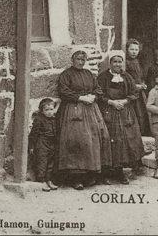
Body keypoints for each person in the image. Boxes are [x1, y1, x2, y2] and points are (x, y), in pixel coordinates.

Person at [56, 50, 111, 190]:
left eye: (83, 59)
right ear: (72, 60)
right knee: (78, 140)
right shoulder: (66, 74)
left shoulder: (88, 74)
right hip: (73, 110)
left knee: (95, 138)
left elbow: (98, 88)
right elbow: (63, 91)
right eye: (78, 59)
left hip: (91, 110)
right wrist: (80, 98)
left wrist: (93, 96)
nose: (80, 62)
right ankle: (76, 178)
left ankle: (91, 175)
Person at [98, 52, 145, 184]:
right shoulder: (103, 77)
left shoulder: (126, 76)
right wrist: (111, 102)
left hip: (125, 111)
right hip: (109, 111)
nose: (118, 64)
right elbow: (99, 94)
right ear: (110, 63)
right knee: (111, 141)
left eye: (120, 62)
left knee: (126, 141)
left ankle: (121, 173)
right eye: (115, 62)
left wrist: (124, 101)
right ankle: (107, 173)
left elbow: (134, 93)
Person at [28, 98, 59, 191]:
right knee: (42, 162)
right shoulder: (39, 120)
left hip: (52, 143)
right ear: (42, 110)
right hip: (42, 143)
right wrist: (32, 146)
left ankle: (48, 180)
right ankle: (41, 181)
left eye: (51, 109)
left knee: (50, 163)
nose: (49, 112)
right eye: (46, 110)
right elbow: (33, 134)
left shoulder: (54, 119)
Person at [125, 38, 150, 136]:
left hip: (140, 92)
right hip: (132, 91)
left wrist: (143, 84)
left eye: (136, 50)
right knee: (136, 112)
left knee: (143, 112)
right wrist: (136, 86)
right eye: (132, 49)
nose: (134, 52)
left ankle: (143, 132)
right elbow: (126, 78)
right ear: (127, 50)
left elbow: (140, 76)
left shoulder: (137, 62)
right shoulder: (126, 62)